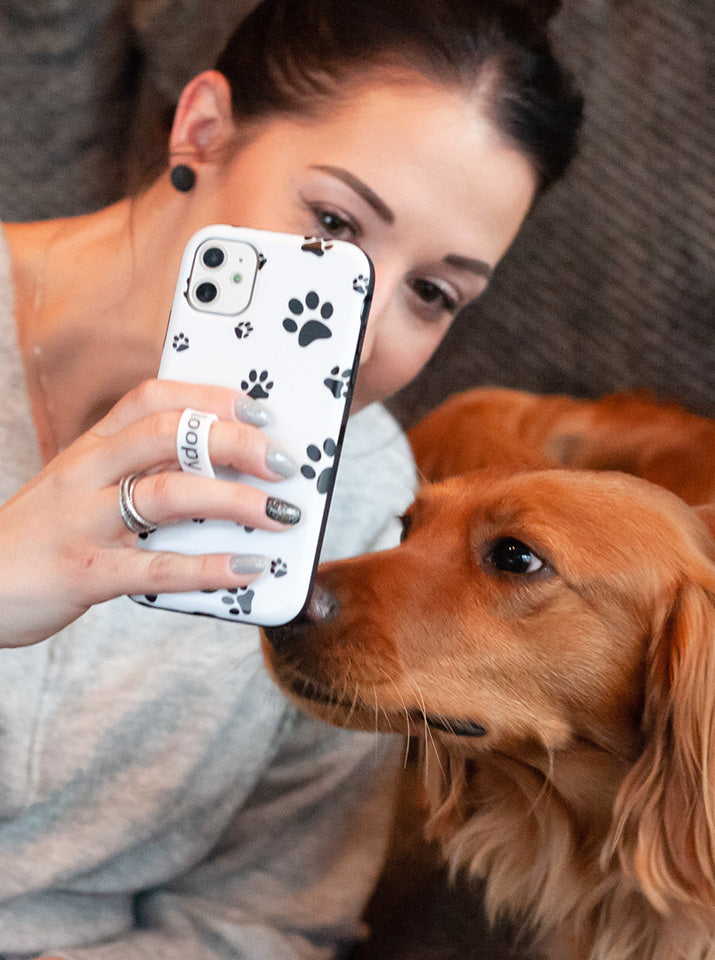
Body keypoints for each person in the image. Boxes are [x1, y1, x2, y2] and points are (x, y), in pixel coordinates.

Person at [0, 0, 583, 957]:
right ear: (203, 129)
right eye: (333, 220)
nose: (361, 323)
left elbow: (261, 922)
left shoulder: (368, 503)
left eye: (433, 293)